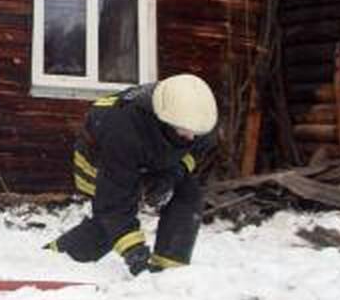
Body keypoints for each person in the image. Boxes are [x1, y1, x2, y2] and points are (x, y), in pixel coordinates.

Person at [44, 74, 218, 275]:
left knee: (188, 193)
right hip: (99, 163)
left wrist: (173, 174)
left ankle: (170, 268)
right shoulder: (123, 129)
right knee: (110, 226)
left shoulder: (196, 115)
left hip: (147, 158)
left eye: (195, 132)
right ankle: (54, 258)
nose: (191, 137)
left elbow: (197, 148)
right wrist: (135, 253)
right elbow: (113, 205)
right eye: (184, 131)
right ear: (164, 119)